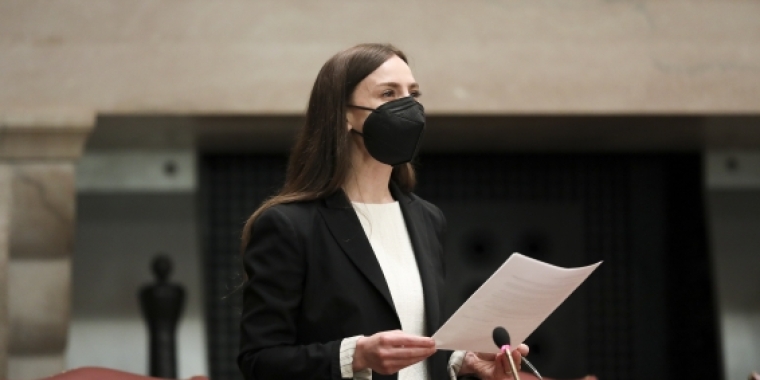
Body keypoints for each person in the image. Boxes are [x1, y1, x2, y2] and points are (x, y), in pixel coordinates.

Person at [237, 43, 529, 380]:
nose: (408, 107)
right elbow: (259, 360)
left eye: (413, 93)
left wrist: (463, 361)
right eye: (388, 94)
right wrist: (355, 356)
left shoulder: (427, 219)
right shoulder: (289, 225)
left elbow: (419, 338)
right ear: (344, 114)